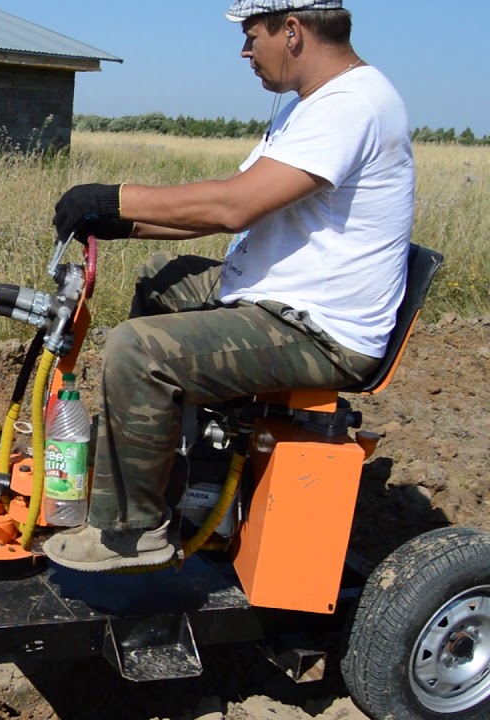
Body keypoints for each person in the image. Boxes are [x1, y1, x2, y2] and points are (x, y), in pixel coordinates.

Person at [43, 0, 415, 572]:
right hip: (280, 298)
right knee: (162, 276)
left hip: (319, 330)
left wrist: (114, 197)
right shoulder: (311, 106)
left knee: (138, 349)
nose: (245, 52)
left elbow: (232, 207)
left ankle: (133, 531)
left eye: (250, 36)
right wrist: (120, 223)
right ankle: (177, 457)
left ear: (292, 31)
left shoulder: (352, 105)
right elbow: (230, 202)